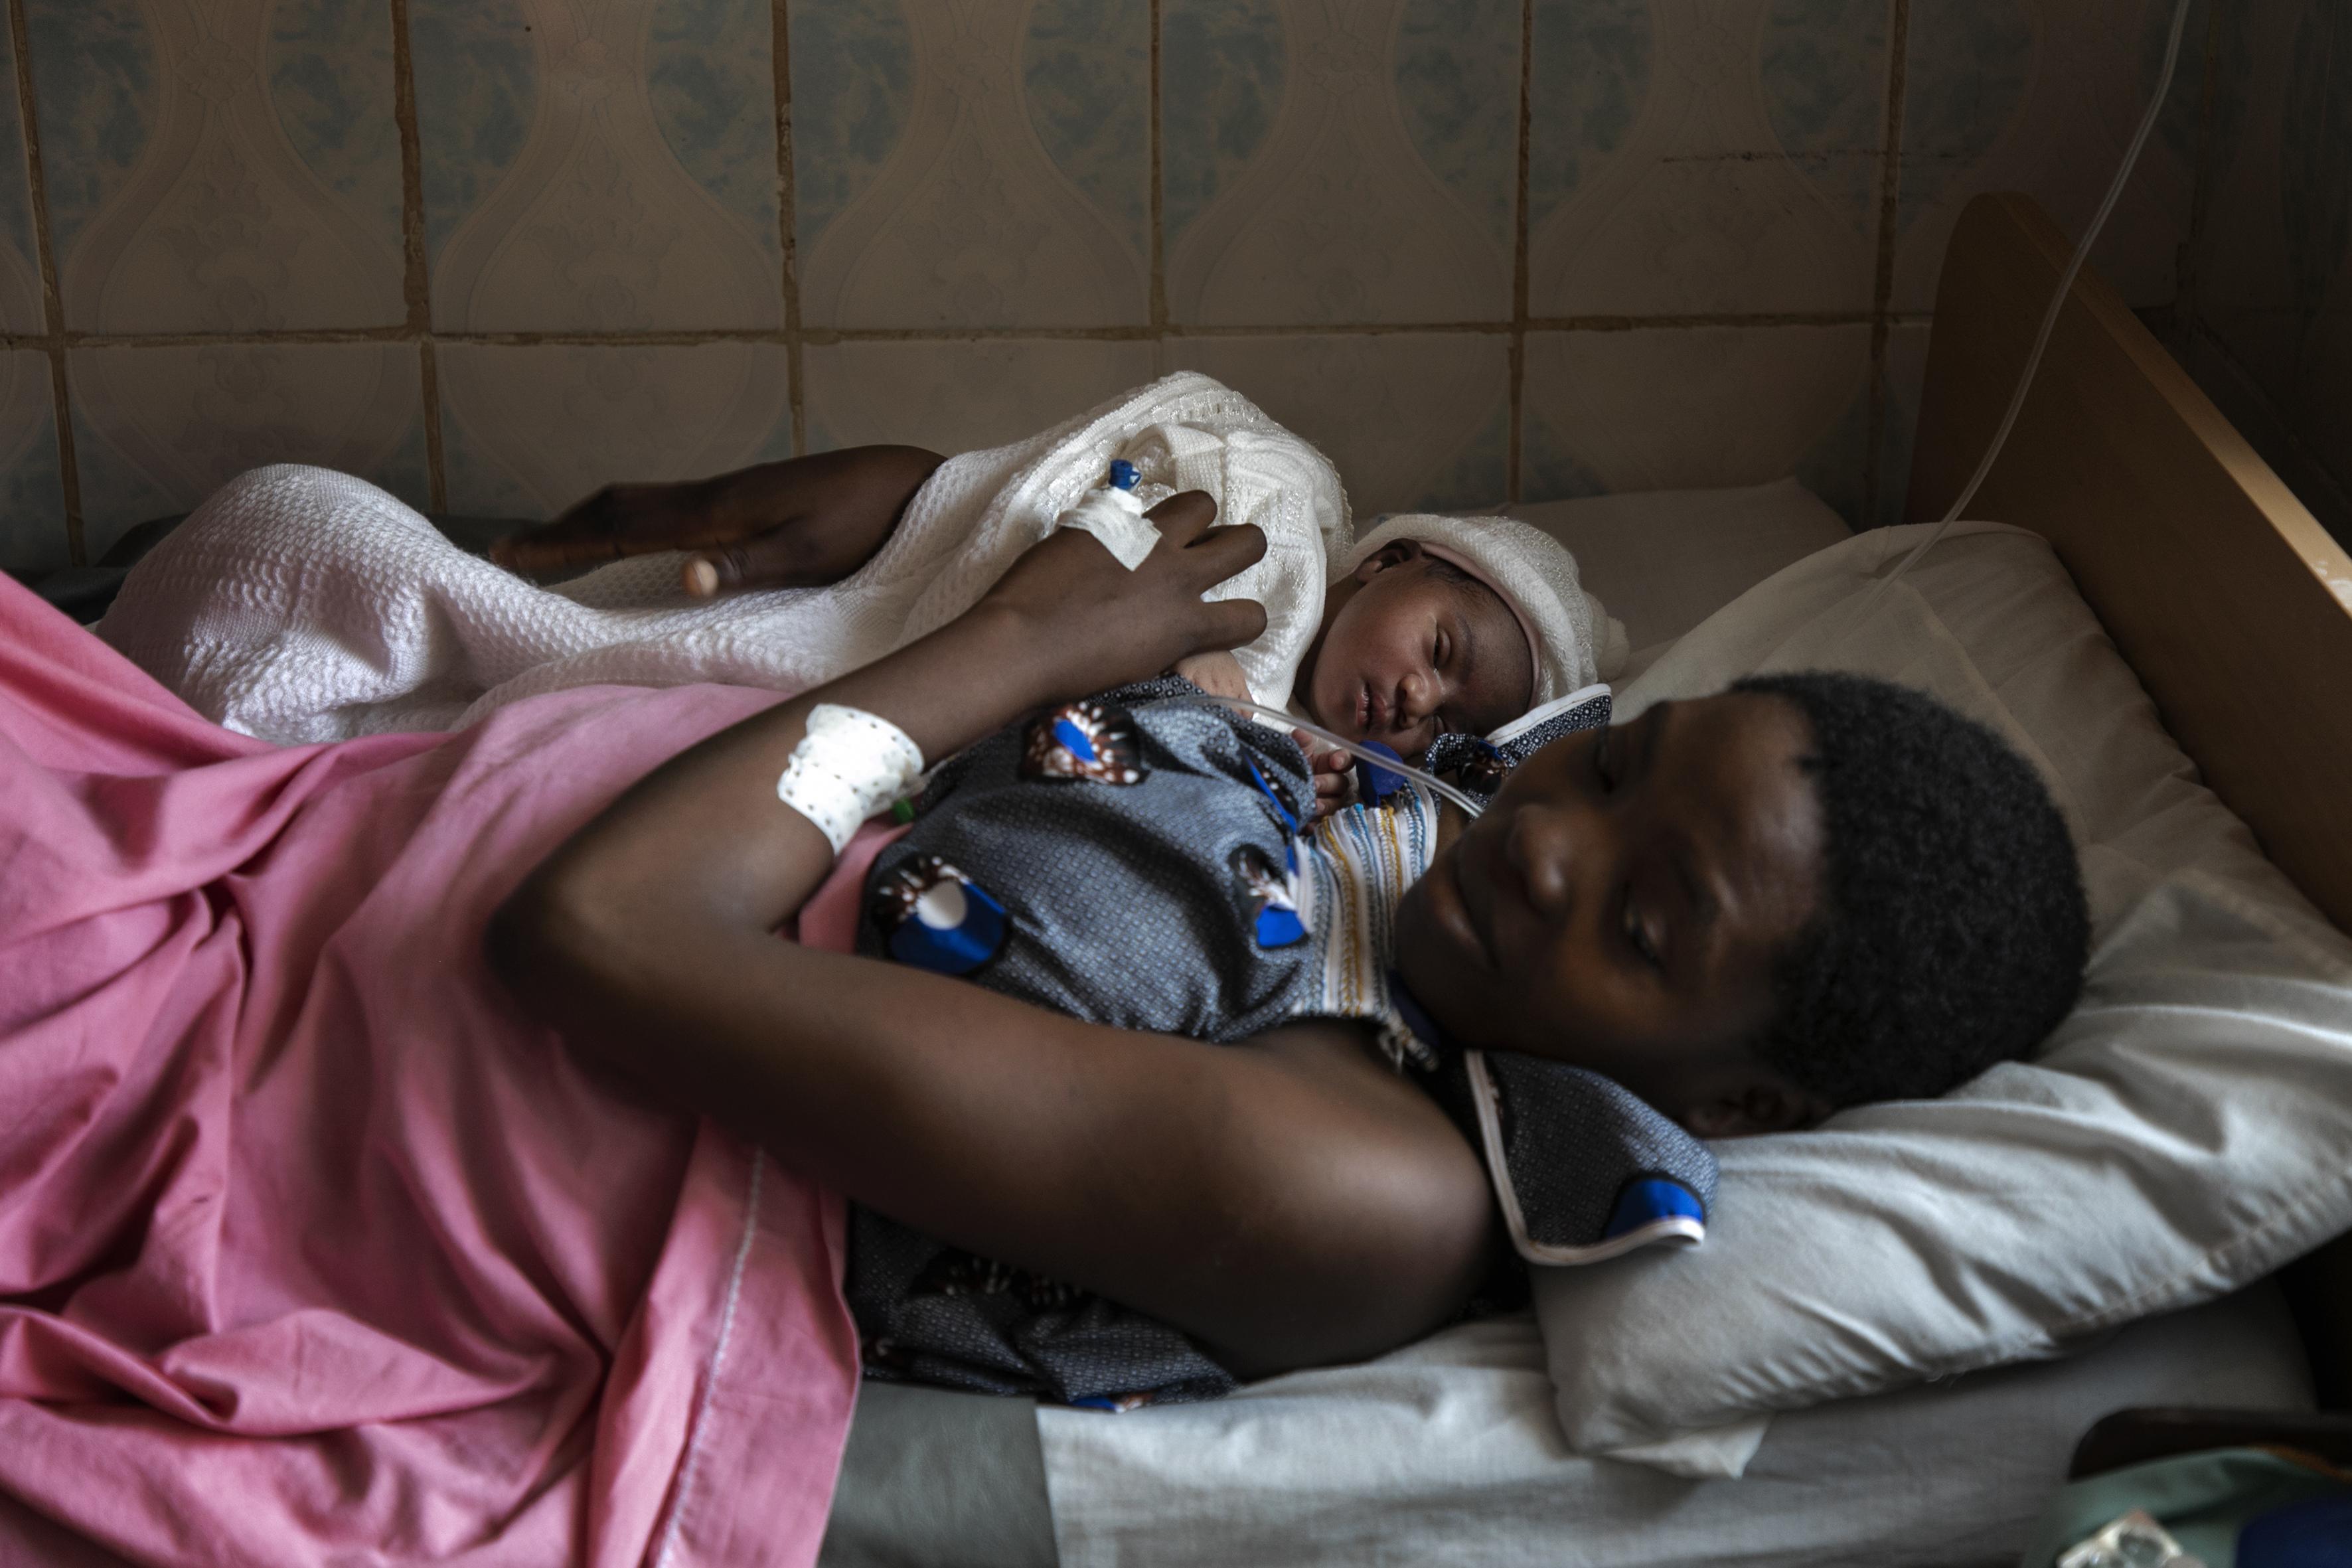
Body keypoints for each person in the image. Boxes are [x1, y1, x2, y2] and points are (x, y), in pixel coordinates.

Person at [491, 488, 2092, 1407]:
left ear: (1733, 1106)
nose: (1541, 840)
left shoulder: (1359, 1186)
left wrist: (1010, 646)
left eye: (1644, 917)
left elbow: (602, 935)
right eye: (1606, 768)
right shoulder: (1396, 855)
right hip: (499, 823)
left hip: (492, 1072)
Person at [98, 374, 1624, 785]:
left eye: (1439, 717)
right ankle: (561, 567)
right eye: (1440, 645)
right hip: (897, 620)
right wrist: (1204, 678)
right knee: (300, 535)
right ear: (1398, 561)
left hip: (854, 722)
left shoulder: (1318, 764)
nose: (1412, 699)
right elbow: (1112, 540)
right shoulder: (1285, 517)